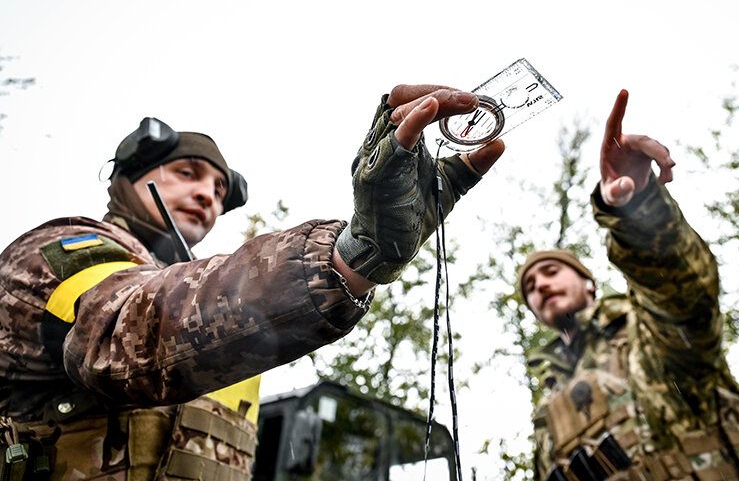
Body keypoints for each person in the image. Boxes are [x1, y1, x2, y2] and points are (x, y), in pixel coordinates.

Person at [0, 84, 504, 480]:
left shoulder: (188, 283)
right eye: (187, 173)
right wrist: (354, 253)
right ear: (129, 179)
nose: (206, 195)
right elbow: (124, 329)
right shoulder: (64, 252)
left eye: (219, 189)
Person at [516, 90, 739, 480]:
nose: (540, 285)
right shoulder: (549, 404)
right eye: (530, 286)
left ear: (589, 283)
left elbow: (683, 293)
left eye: (552, 272)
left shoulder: (644, 333)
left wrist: (637, 210)